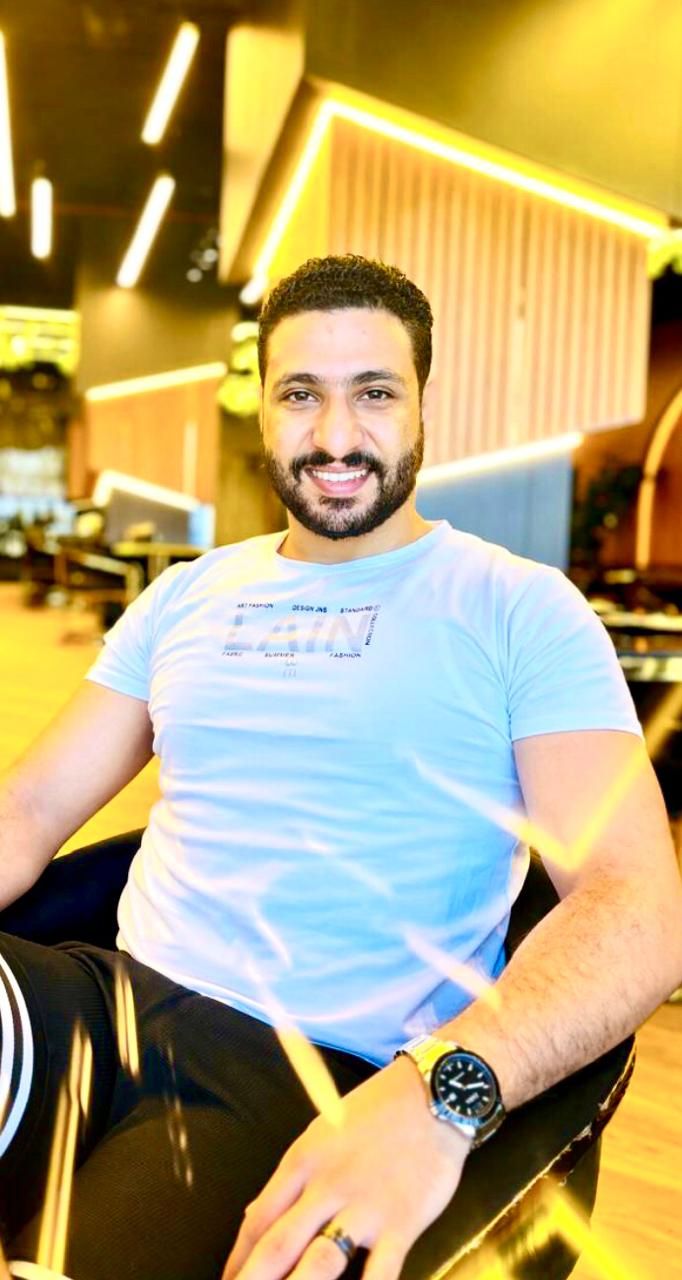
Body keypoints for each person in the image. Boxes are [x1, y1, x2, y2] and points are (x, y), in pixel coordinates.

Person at [0, 254, 680, 1280]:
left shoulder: (519, 608)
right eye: (300, 394)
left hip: (304, 1073)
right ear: (264, 410)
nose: (333, 436)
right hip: (101, 1002)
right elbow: (28, 807)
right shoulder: (186, 596)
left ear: (422, 404)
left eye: (373, 393)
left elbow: (639, 906)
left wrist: (439, 1095)